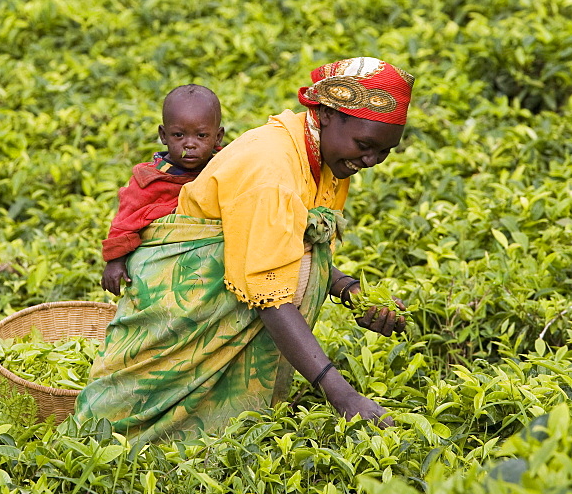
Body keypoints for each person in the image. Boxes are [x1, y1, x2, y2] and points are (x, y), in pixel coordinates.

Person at [76, 57, 411, 444]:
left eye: (384, 152)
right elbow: (268, 292)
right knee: (123, 431)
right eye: (365, 145)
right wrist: (342, 395)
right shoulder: (270, 168)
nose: (370, 161)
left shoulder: (324, 158)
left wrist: (353, 293)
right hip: (183, 292)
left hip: (237, 283)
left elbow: (296, 246)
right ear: (326, 115)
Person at [101, 85, 224, 296]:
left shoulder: (224, 168)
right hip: (163, 267)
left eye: (202, 136)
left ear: (218, 137)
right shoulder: (150, 180)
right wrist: (115, 260)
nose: (190, 144)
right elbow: (124, 222)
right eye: (179, 135)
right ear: (163, 135)